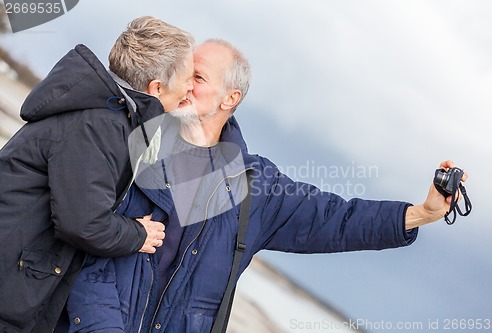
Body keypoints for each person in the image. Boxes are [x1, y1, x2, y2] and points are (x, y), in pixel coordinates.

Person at [65, 39, 467, 333]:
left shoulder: (256, 188)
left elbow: (337, 219)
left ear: (230, 98)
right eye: (184, 75)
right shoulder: (134, 143)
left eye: (199, 78)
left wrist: (422, 213)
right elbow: (86, 249)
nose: (185, 85)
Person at [0, 16, 196, 333]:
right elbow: (83, 223)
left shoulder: (111, 116)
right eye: (188, 77)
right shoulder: (99, 124)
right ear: (156, 87)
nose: (191, 86)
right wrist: (140, 235)